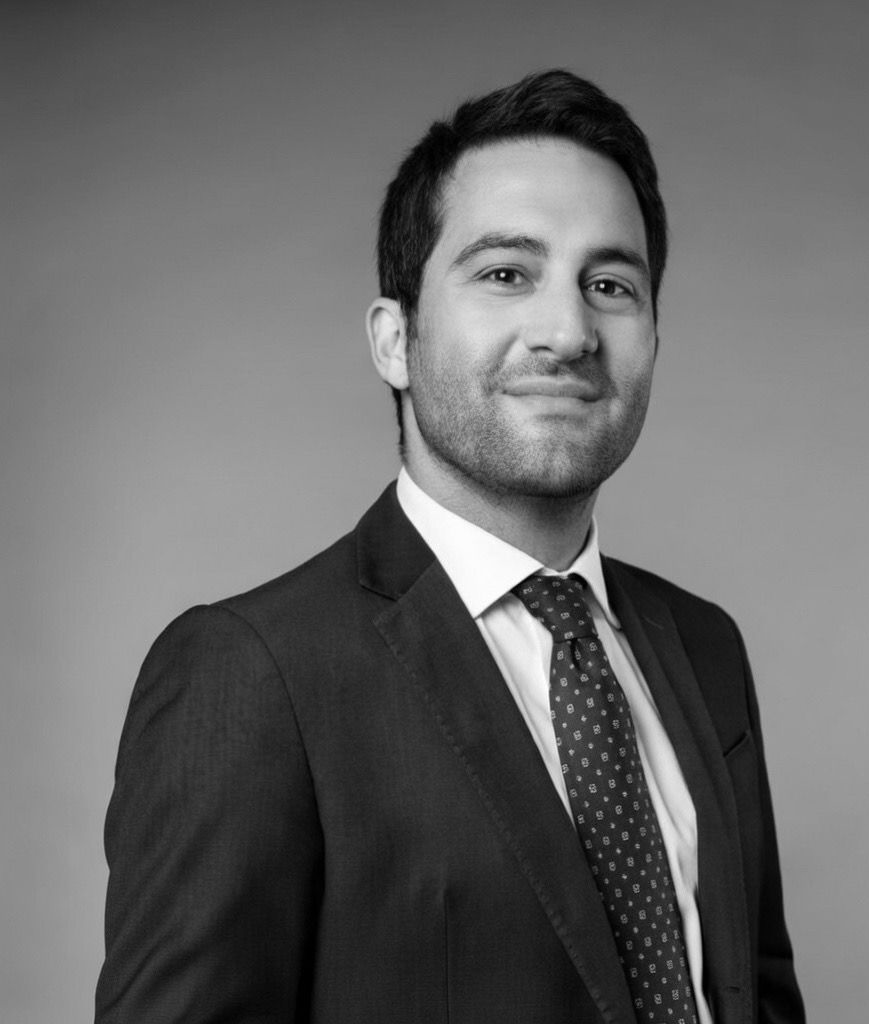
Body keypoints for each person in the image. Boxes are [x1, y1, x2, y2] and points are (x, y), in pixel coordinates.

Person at [96, 69, 804, 1024]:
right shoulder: (251, 676)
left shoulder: (705, 647)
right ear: (395, 339)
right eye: (506, 273)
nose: (568, 332)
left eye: (610, 285)